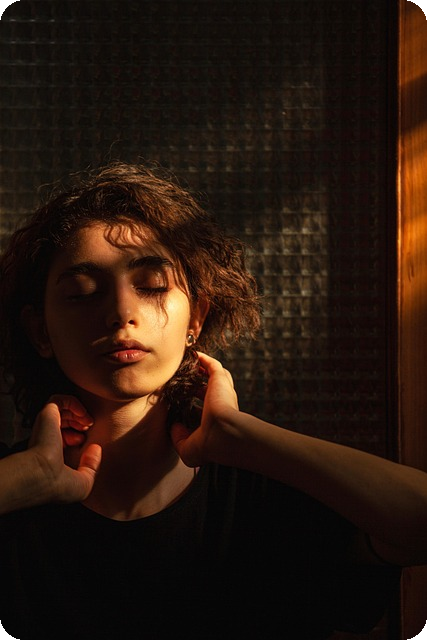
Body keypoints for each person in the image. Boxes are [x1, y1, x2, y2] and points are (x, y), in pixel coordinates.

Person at [0, 161, 425, 639]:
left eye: (152, 285)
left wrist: (241, 436)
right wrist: (26, 478)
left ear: (196, 318)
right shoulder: (13, 494)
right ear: (40, 331)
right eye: (82, 292)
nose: (121, 311)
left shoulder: (268, 505)